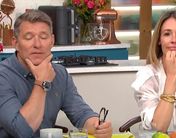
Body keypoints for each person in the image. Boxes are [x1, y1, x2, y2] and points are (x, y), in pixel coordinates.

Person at [0, 10, 112, 138]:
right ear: (15, 43)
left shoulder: (60, 74)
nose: (37, 44)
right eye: (28, 37)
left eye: (43, 37)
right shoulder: (3, 76)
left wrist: (97, 126)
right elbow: (22, 131)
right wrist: (42, 82)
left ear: (52, 41)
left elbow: (81, 114)